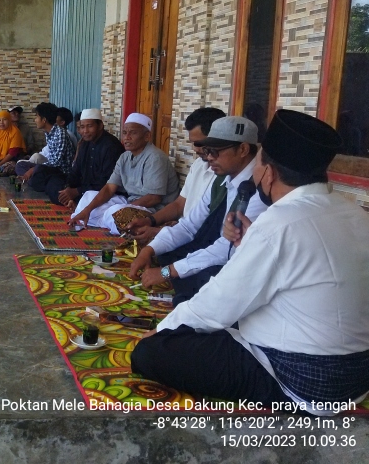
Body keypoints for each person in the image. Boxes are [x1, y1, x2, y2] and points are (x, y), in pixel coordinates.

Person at [132, 110, 369, 416]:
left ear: (268, 173)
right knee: (198, 307)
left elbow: (220, 303)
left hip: (303, 380)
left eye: (258, 163)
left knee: (151, 353)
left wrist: (163, 330)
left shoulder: (280, 221)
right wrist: (247, 243)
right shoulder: (355, 214)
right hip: (358, 376)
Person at [128, 116, 266, 304]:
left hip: (235, 266)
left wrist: (167, 272)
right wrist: (149, 250)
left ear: (243, 149)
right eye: (207, 151)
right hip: (212, 250)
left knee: (200, 279)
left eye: (215, 152)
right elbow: (189, 226)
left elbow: (225, 250)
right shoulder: (221, 179)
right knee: (164, 253)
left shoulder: (258, 189)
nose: (209, 158)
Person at [125, 107, 226, 242]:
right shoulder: (198, 165)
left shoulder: (226, 175)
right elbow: (179, 204)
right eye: (193, 143)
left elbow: (206, 227)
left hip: (198, 239)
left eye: (199, 143)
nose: (195, 149)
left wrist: (160, 231)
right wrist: (150, 221)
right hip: (182, 230)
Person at [68, 113, 179, 234]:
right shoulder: (124, 157)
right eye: (125, 133)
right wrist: (88, 210)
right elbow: (109, 188)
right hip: (131, 203)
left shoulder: (155, 157)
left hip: (154, 210)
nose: (127, 137)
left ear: (147, 136)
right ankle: (107, 221)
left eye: (133, 133)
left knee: (116, 212)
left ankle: (155, 226)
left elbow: (154, 198)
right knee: (88, 197)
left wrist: (125, 208)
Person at [54, 109, 123, 208]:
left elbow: (107, 183)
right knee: (56, 186)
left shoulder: (111, 146)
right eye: (82, 127)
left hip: (101, 193)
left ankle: (77, 203)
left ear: (100, 126)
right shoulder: (85, 143)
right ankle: (73, 201)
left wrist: (77, 191)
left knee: (90, 200)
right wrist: (68, 188)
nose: (85, 131)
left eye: (90, 126)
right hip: (83, 189)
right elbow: (75, 171)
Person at [21, 103, 76, 199]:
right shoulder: (49, 133)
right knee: (21, 165)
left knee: (40, 176)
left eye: (37, 117)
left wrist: (34, 169)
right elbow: (50, 157)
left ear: (44, 120)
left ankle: (37, 180)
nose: (35, 120)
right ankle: (34, 179)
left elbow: (56, 162)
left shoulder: (60, 134)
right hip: (51, 167)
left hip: (61, 172)